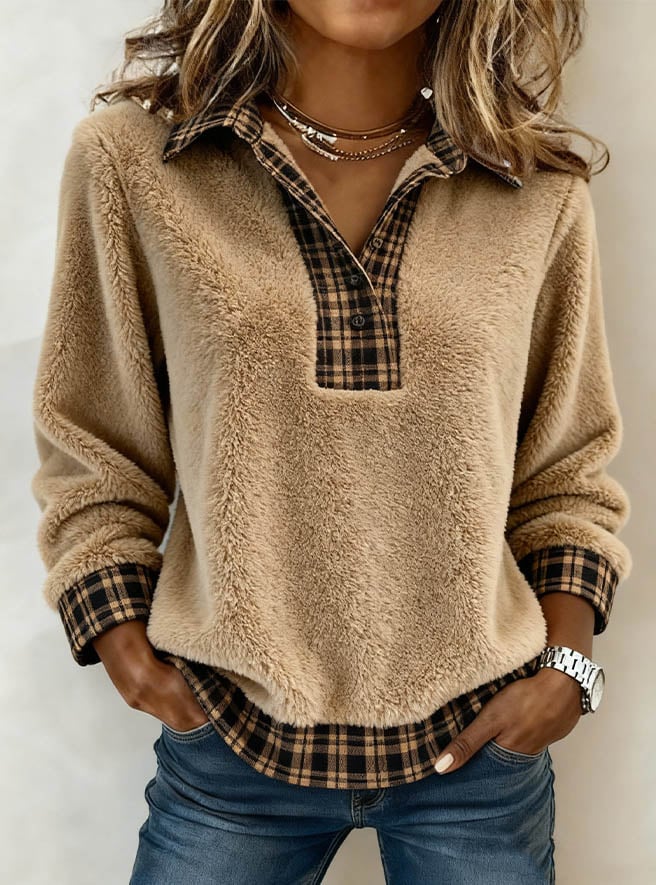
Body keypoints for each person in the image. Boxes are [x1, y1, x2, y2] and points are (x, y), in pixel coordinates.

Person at [31, 1, 632, 882]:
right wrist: (124, 645)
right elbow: (92, 439)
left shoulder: (533, 185)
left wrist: (566, 672)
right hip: (229, 743)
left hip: (480, 752)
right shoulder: (136, 161)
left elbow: (566, 469)